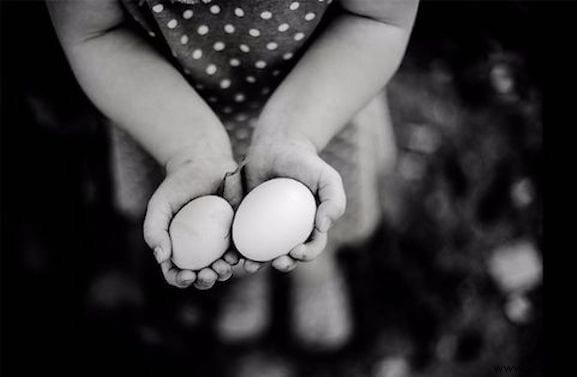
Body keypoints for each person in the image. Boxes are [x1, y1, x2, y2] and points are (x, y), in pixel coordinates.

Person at [48, 0, 419, 349]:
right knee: (231, 228)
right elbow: (96, 32)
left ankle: (316, 271)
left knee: (307, 209)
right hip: (164, 114)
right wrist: (191, 148)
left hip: (317, 102)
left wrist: (293, 133)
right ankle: (246, 273)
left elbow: (376, 18)